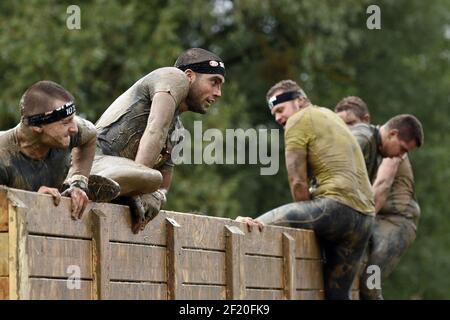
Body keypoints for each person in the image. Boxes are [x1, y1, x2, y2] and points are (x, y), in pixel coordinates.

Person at [237, 80, 375, 300]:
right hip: (365, 218)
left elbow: (297, 181)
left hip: (336, 207)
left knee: (250, 225)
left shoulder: (299, 120)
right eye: (274, 114)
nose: (279, 118)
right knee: (338, 295)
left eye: (281, 110)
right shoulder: (330, 116)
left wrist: (309, 218)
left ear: (300, 101)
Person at [91, 48, 225, 233]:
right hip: (92, 162)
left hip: (114, 184)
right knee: (151, 178)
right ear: (189, 75)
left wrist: (157, 197)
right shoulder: (173, 77)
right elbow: (156, 128)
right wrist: (139, 188)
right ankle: (81, 182)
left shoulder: (178, 133)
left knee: (154, 181)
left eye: (220, 85)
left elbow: (163, 188)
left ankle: (111, 191)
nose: (218, 92)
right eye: (214, 82)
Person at [335, 96, 424, 299]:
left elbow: (381, 187)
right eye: (342, 124)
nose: (348, 130)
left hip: (397, 222)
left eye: (351, 124)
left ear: (365, 122)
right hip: (374, 216)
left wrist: (358, 223)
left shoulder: (393, 151)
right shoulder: (362, 145)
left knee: (370, 282)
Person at [0, 81, 120, 219]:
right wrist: (31, 201)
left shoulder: (72, 133)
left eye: (73, 119)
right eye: (65, 122)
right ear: (37, 125)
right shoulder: (3, 158)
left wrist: (79, 183)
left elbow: (91, 135)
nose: (74, 128)